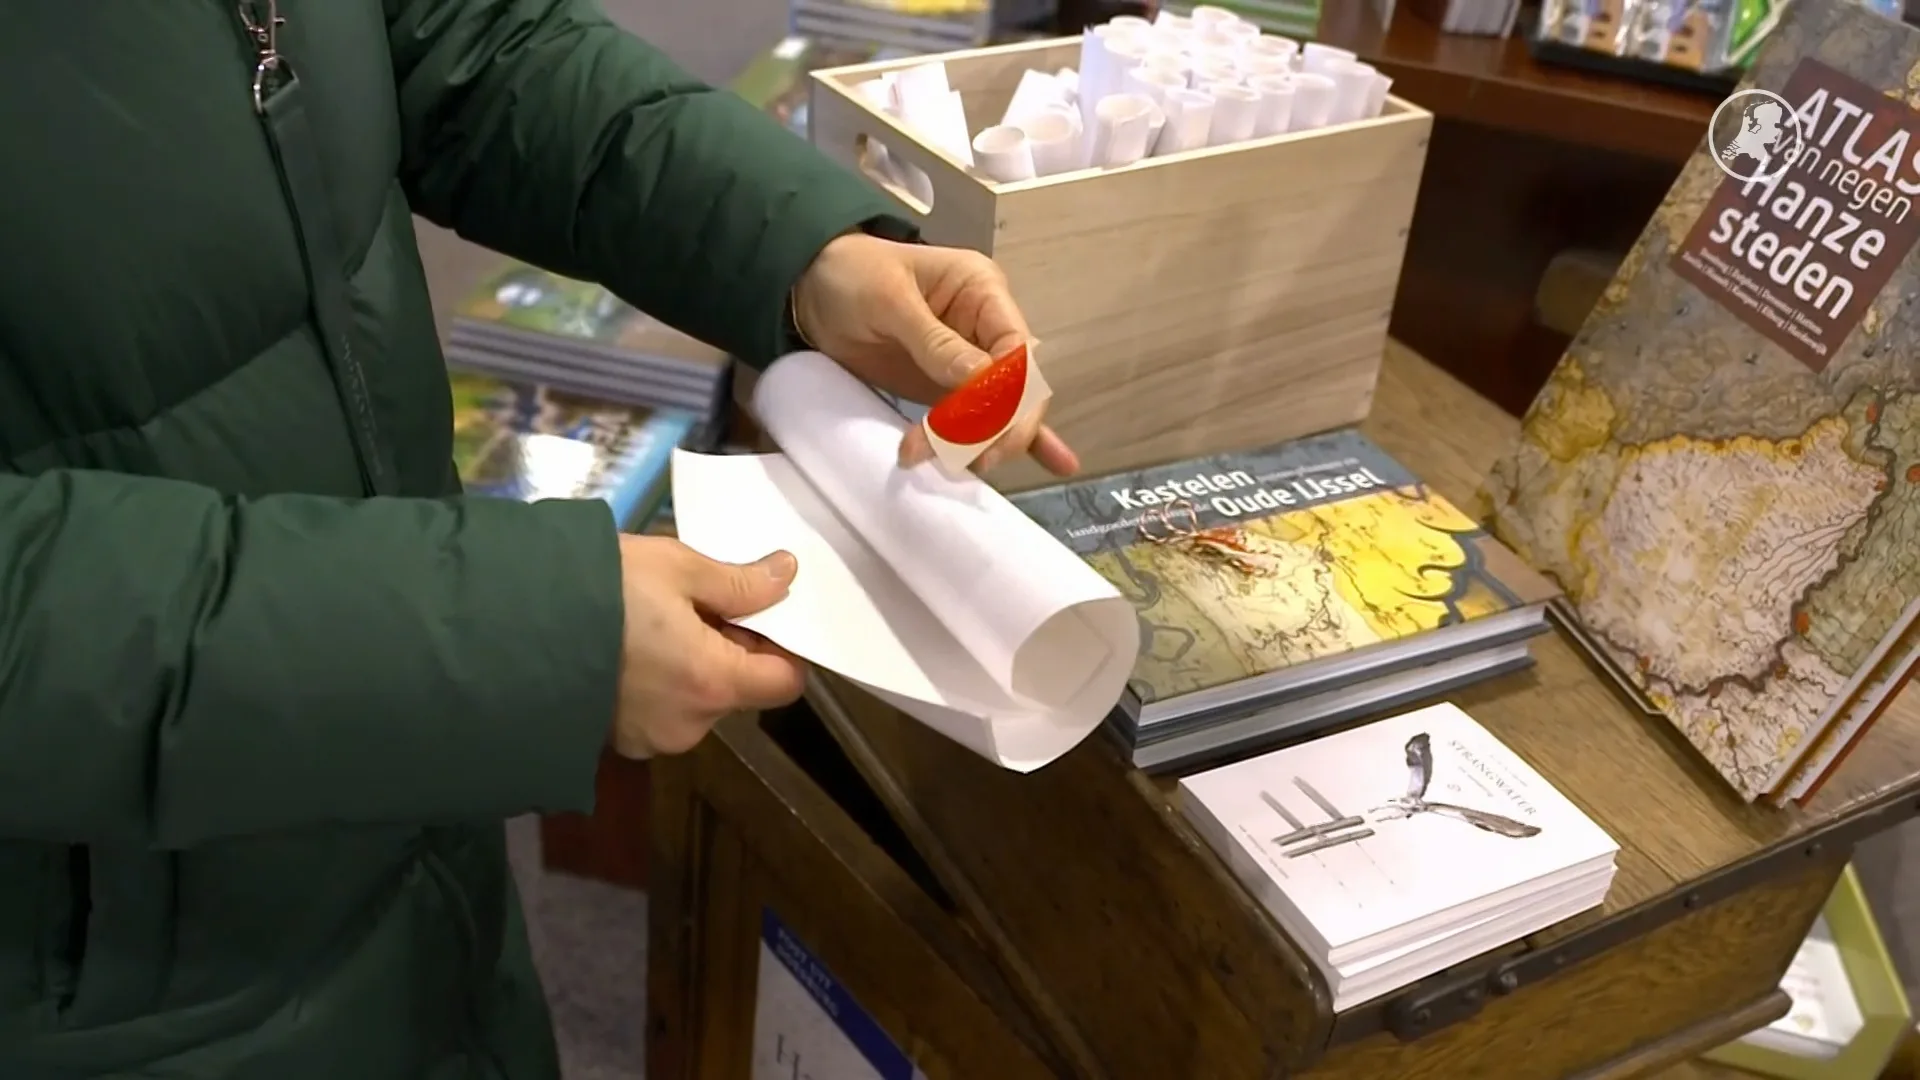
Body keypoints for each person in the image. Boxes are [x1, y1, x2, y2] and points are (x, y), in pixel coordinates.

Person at [0, 3, 1078, 1077]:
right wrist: (516, 645)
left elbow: (460, 43)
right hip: (109, 959)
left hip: (408, 807)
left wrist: (800, 247)